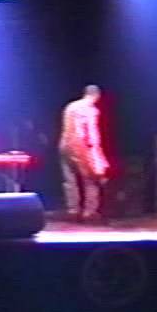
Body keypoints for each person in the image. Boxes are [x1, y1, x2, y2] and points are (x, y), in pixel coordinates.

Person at [58, 84, 110, 223]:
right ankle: (89, 212)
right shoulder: (91, 110)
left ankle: (72, 210)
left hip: (65, 145)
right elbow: (92, 134)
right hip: (81, 146)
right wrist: (97, 157)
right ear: (97, 96)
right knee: (91, 179)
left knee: (70, 180)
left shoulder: (70, 106)